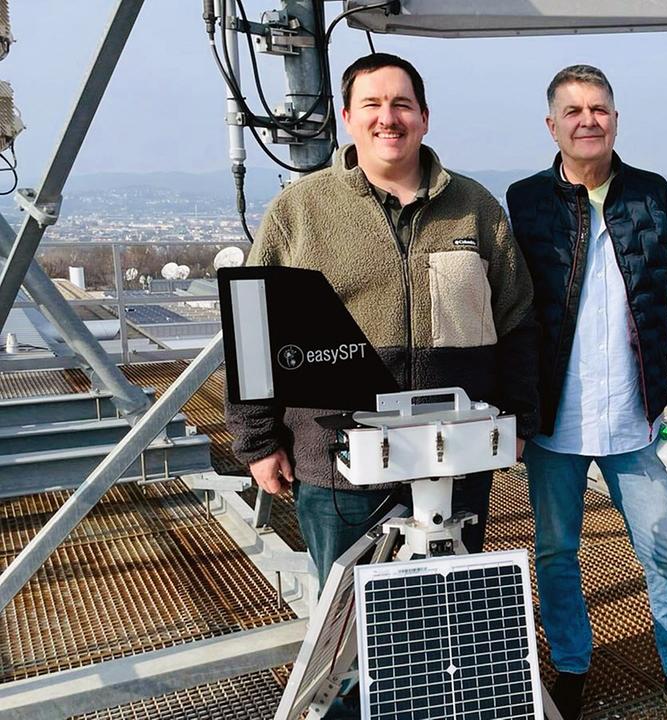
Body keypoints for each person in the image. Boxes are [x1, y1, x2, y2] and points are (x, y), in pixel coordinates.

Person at [225, 53, 539, 588]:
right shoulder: (299, 211)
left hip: (453, 458)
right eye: (371, 104)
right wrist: (257, 441)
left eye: (401, 104)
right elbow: (253, 327)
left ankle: (446, 678)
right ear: (347, 117)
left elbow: (518, 320)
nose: (387, 118)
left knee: (447, 612)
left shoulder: (475, 208)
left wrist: (520, 421)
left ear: (424, 117)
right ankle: (352, 680)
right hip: (339, 465)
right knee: (350, 624)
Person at [506, 65, 667, 720]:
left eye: (600, 108)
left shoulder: (651, 195)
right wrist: (516, 409)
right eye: (574, 110)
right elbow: (510, 312)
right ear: (551, 125)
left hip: (636, 413)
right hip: (554, 416)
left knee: (662, 539)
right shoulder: (524, 201)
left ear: (615, 119)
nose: (588, 119)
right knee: (556, 549)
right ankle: (572, 666)